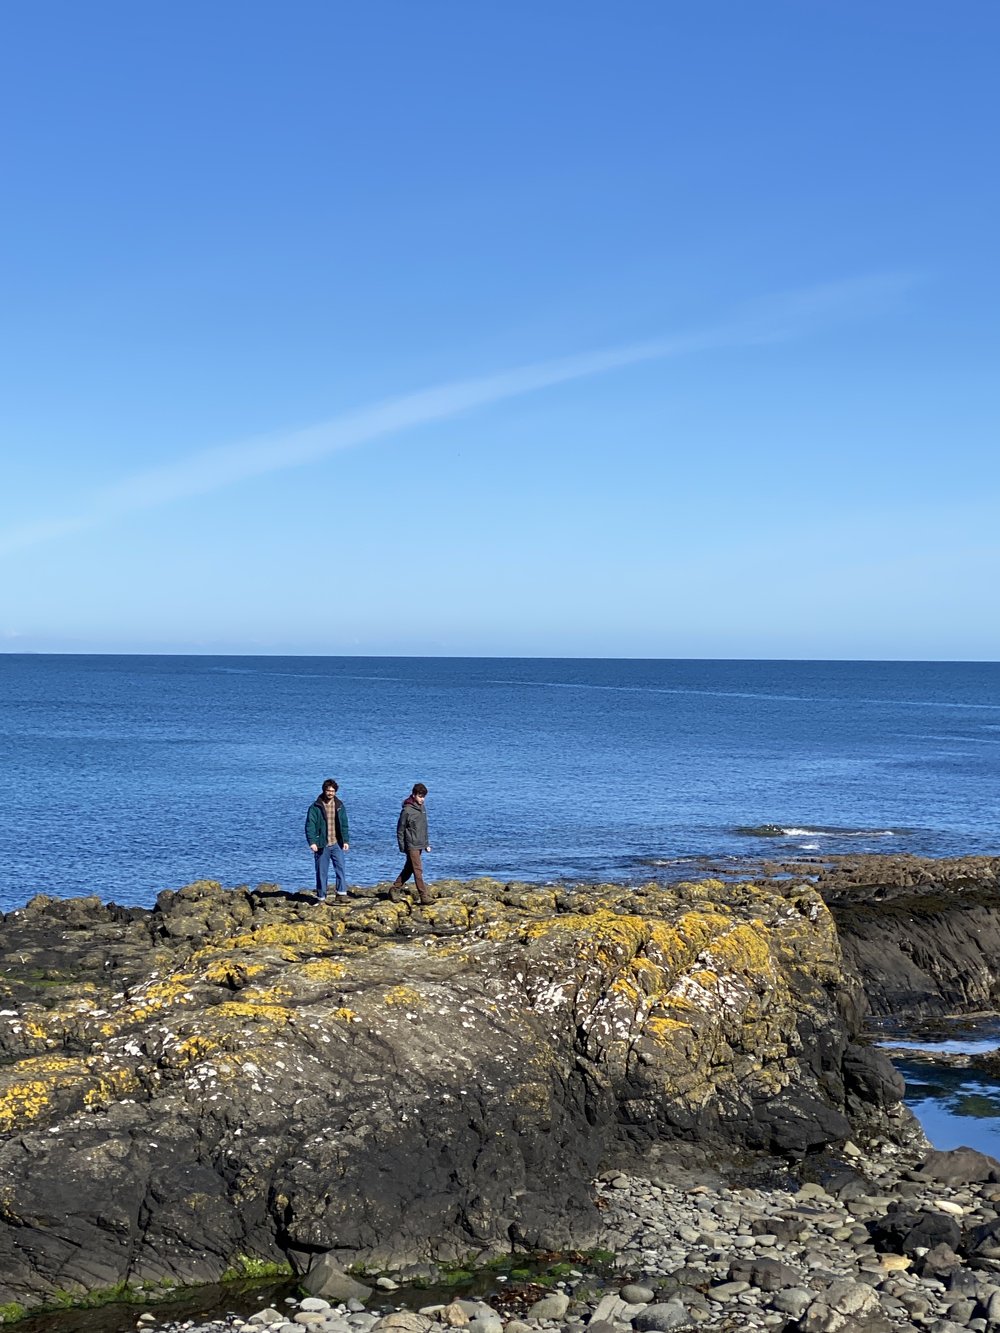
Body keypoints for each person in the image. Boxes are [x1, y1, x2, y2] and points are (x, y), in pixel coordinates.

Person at [305, 779, 350, 901]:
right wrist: (312, 842)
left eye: (333, 791)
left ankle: (341, 894)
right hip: (321, 844)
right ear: (324, 791)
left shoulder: (340, 806)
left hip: (337, 843)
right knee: (321, 872)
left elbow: (344, 824)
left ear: (335, 792)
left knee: (340, 868)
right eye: (328, 790)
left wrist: (345, 841)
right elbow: (310, 825)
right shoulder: (315, 807)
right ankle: (321, 897)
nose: (330, 793)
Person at [391, 782, 431, 904]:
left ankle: (394, 888)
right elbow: (400, 830)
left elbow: (424, 827)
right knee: (418, 870)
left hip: (420, 844)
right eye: (420, 796)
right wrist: (402, 847)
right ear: (414, 795)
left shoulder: (422, 809)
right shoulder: (407, 810)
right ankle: (424, 896)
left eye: (423, 796)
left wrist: (426, 844)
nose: (422, 799)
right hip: (411, 845)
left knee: (409, 869)